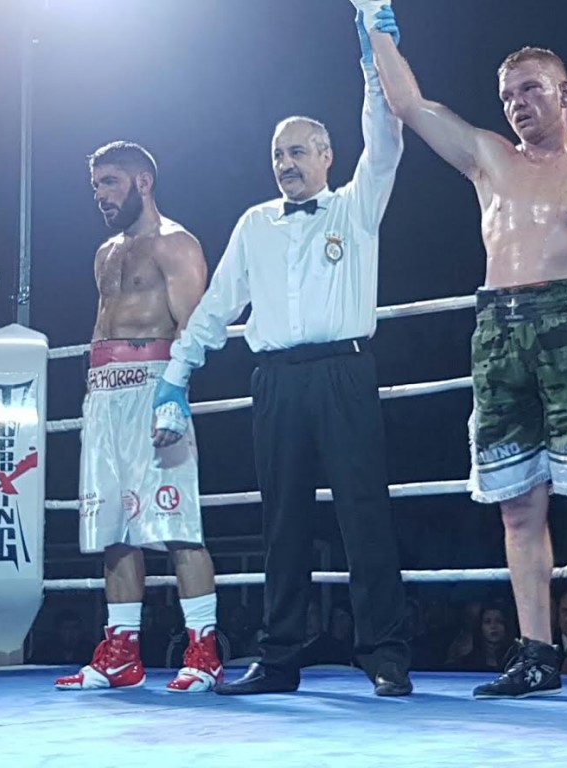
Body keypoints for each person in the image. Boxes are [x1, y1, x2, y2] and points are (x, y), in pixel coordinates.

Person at [362, 3, 567, 703]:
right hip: (499, 327)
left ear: (565, 93)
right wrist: (374, 20)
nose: (517, 104)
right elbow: (409, 102)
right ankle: (537, 655)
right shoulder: (487, 158)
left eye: (531, 89)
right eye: (508, 94)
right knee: (517, 506)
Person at [152, 11, 411, 697]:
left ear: (327, 157)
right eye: (278, 154)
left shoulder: (356, 207)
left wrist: (371, 56)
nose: (287, 164)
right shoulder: (253, 225)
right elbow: (217, 306)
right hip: (276, 382)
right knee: (283, 521)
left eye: (299, 151)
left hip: (345, 372)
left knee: (365, 513)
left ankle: (384, 652)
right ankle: (279, 656)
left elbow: (384, 140)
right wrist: (176, 376)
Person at [54, 141, 223, 693]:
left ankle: (203, 647)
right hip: (103, 395)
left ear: (142, 182)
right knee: (114, 530)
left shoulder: (176, 244)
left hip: (155, 387)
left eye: (110, 183)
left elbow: (194, 328)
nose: (100, 196)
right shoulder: (105, 252)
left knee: (178, 525)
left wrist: (175, 393)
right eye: (96, 185)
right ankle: (121, 653)